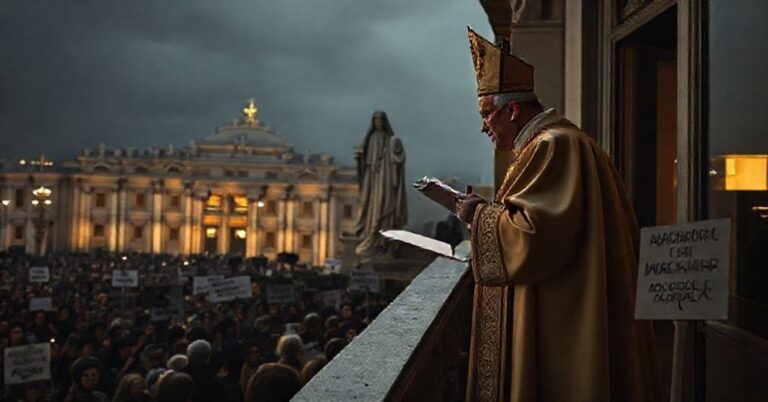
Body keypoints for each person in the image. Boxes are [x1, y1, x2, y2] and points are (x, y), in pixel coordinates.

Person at [456, 27, 661, 402]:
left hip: (561, 315)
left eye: (487, 114)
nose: (483, 126)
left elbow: (533, 237)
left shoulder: (552, 146)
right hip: (569, 299)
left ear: (513, 110)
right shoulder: (560, 142)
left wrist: (478, 216)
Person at [353, 111, 408, 256]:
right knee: (371, 207)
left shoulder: (391, 140)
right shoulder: (371, 139)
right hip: (373, 180)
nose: (378, 123)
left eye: (380, 121)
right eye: (375, 121)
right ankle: (372, 236)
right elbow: (365, 161)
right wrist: (360, 156)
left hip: (385, 180)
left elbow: (397, 159)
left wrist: (395, 157)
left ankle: (383, 240)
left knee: (384, 206)